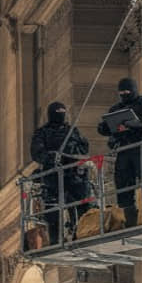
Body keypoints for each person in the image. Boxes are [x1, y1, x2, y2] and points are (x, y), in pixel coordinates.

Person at [97, 78, 142, 225]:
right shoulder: (116, 109)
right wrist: (109, 126)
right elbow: (103, 129)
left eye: (127, 91)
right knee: (123, 188)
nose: (124, 94)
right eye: (121, 92)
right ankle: (131, 221)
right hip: (124, 150)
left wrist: (141, 124)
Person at [29, 102, 92, 244]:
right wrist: (53, 157)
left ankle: (81, 234)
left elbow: (84, 148)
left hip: (73, 175)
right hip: (53, 176)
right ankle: (55, 240)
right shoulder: (42, 132)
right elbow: (37, 153)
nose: (60, 114)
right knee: (53, 211)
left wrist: (72, 154)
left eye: (63, 111)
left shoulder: (72, 131)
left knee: (82, 205)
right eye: (58, 112)